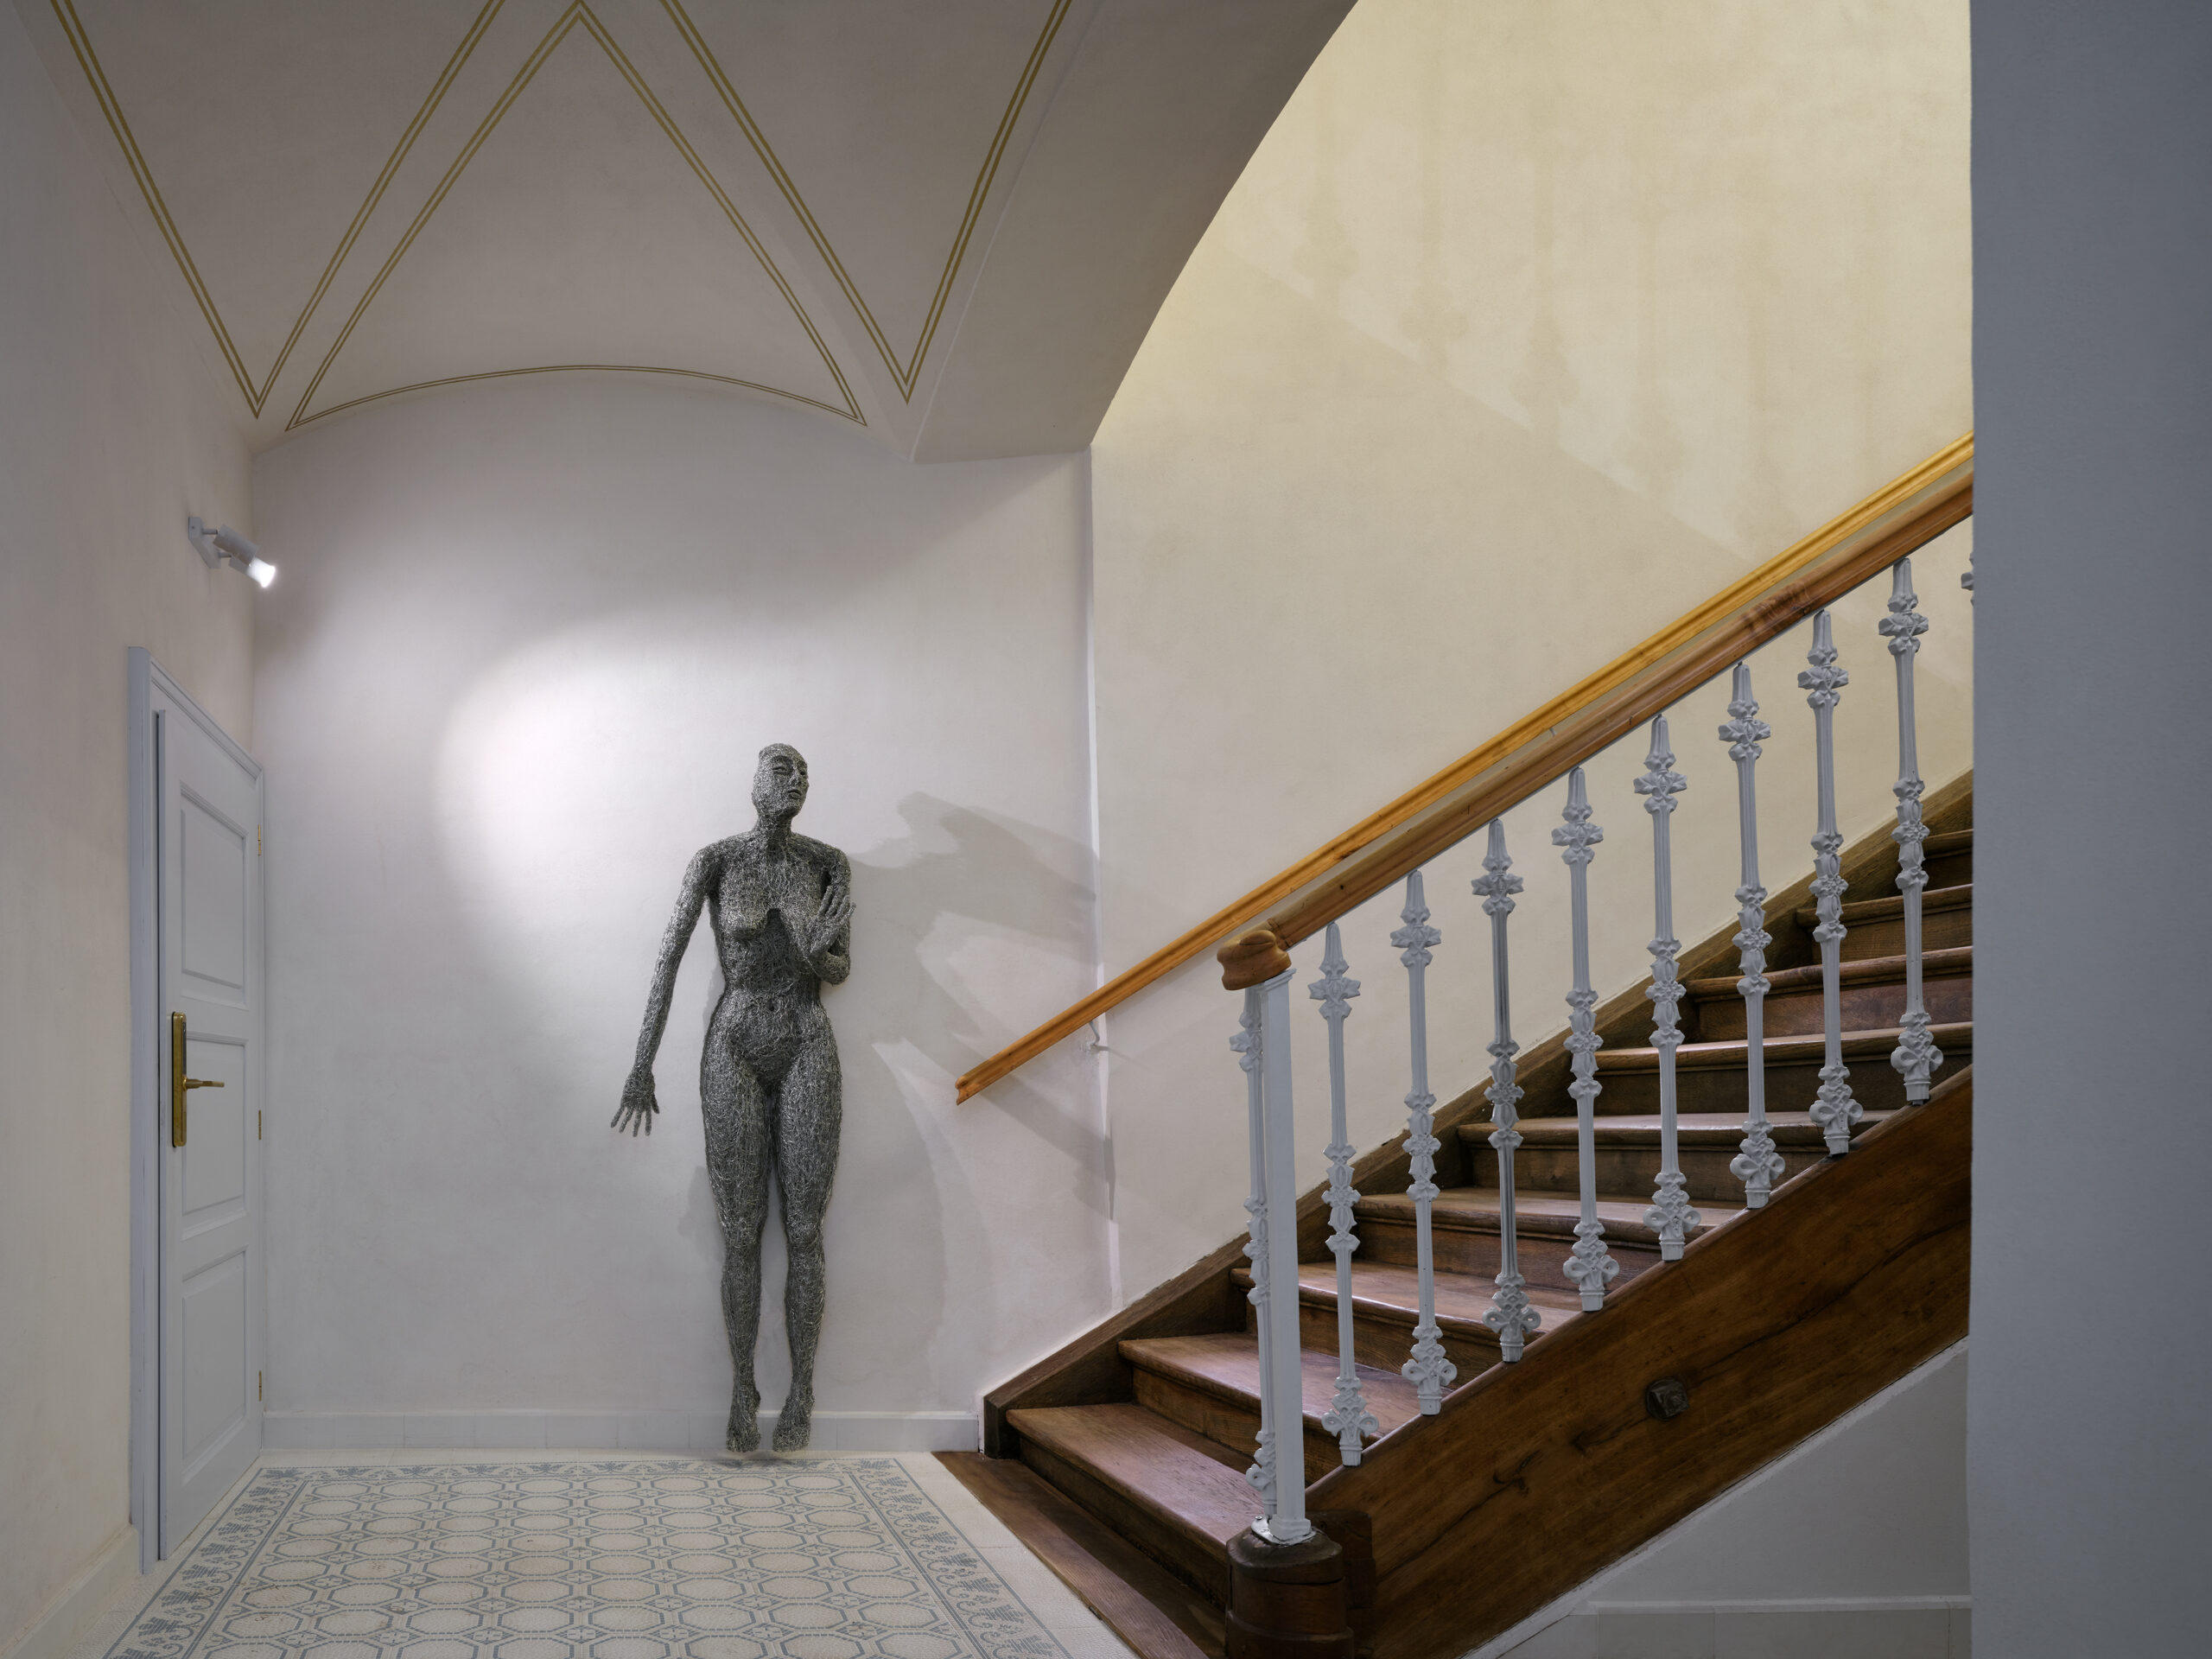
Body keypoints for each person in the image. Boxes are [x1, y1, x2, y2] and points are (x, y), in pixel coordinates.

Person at [614, 743, 851, 1452]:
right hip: (736, 1040)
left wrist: (815, 952)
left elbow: (839, 967)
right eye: (782, 768)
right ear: (753, 783)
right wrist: (642, 1064)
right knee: (740, 1230)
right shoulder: (717, 860)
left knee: (805, 1229)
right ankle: (743, 1386)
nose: (795, 780)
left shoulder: (828, 864)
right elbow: (669, 957)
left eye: (804, 772)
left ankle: (802, 1391)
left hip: (805, 1033)